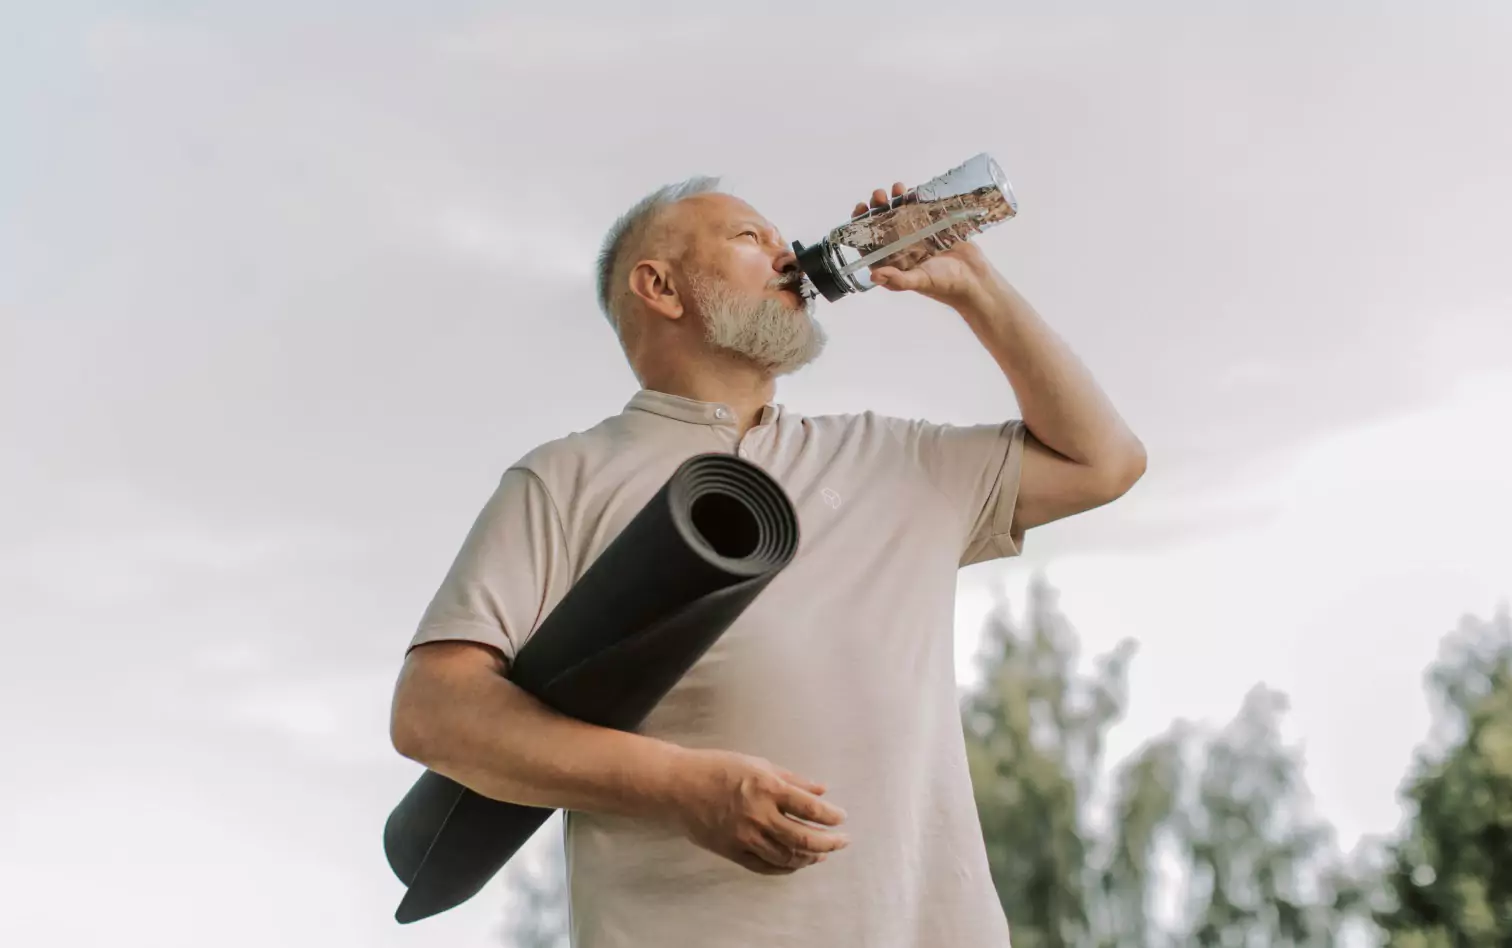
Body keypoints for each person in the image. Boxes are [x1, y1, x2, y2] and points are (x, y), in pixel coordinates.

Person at [389, 174, 1146, 947]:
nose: (786, 251)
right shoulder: (565, 478)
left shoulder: (895, 457)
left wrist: (975, 287)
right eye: (749, 237)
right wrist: (681, 786)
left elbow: (1103, 462)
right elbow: (432, 713)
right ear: (660, 286)